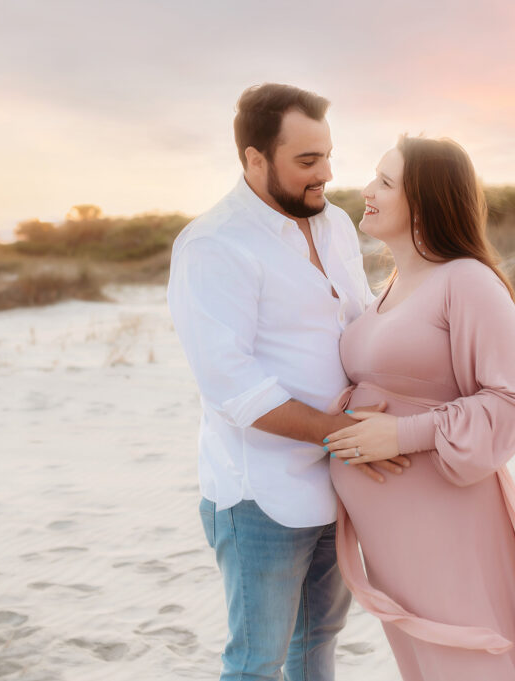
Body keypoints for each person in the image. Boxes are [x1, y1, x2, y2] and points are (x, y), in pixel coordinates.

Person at [323, 136, 515, 680]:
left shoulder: (468, 280)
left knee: (467, 659)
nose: (367, 191)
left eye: (386, 182)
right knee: (429, 662)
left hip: (447, 517)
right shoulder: (391, 284)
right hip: (394, 532)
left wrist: (402, 434)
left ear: (428, 200)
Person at [167, 83, 410, 681]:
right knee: (256, 663)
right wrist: (344, 434)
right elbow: (233, 387)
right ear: (254, 159)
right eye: (306, 161)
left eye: (327, 155)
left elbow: (357, 326)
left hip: (338, 483)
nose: (326, 173)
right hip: (262, 496)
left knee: (317, 642)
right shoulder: (212, 245)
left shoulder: (333, 225)